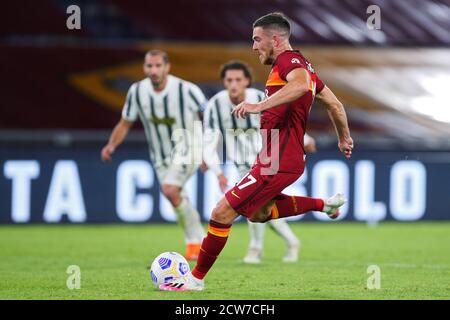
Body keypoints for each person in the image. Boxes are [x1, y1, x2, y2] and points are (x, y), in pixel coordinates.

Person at [160, 12, 353, 291]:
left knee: (221, 211)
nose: (253, 46)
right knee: (259, 213)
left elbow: (299, 86)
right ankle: (326, 205)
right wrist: (344, 138)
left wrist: (258, 106)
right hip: (276, 157)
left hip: (278, 159)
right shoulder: (303, 69)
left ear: (275, 40)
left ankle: (194, 279)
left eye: (256, 39)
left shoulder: (291, 62)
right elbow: (335, 105)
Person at [202, 60, 316, 264]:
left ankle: (256, 248)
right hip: (241, 165)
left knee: (251, 207)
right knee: (259, 210)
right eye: (229, 80)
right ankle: (291, 242)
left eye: (238, 79)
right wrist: (217, 171)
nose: (234, 84)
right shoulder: (215, 106)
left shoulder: (260, 99)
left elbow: (285, 123)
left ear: (247, 81)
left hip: (267, 161)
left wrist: (305, 140)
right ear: (224, 82)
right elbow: (209, 142)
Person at [101, 50, 206, 261]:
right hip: (160, 156)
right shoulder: (137, 91)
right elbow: (126, 122)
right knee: (175, 196)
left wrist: (207, 150)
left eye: (158, 66)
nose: (154, 70)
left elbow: (209, 115)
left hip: (188, 148)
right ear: (144, 68)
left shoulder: (186, 90)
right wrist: (111, 145)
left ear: (167, 67)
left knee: (169, 189)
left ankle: (194, 242)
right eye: (150, 66)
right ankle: (199, 240)